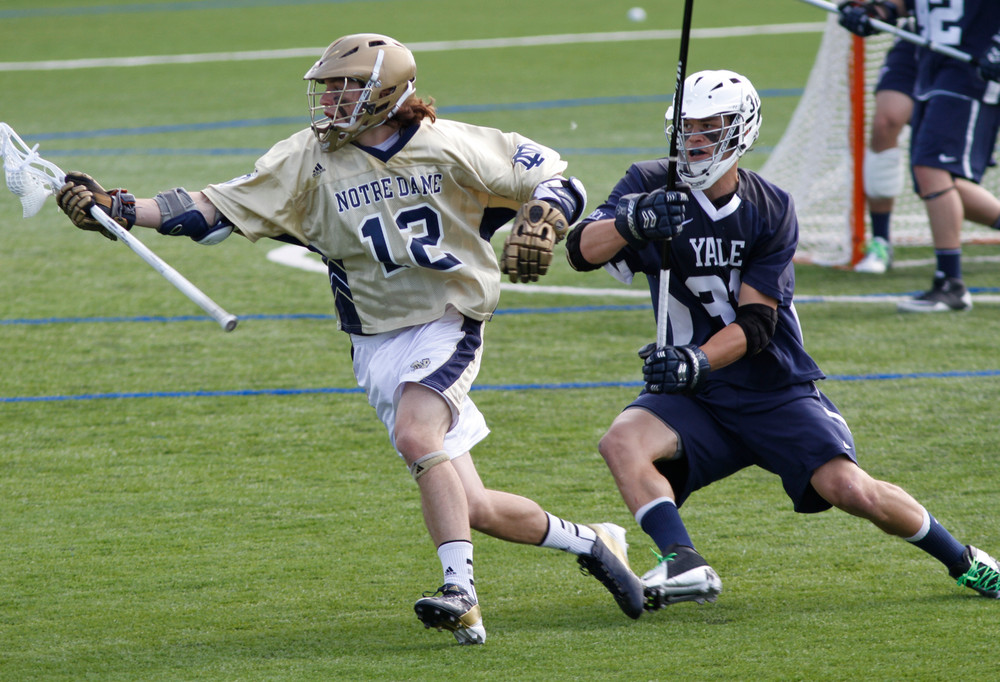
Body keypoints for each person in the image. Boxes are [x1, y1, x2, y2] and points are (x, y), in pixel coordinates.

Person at [52, 32, 644, 645]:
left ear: (386, 92)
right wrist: (118, 207)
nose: (330, 100)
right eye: (327, 87)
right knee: (471, 504)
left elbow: (558, 179)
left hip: (448, 317)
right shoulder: (305, 157)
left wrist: (542, 220)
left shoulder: (451, 144)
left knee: (420, 435)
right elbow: (210, 208)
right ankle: (595, 542)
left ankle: (461, 594)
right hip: (374, 339)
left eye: (345, 87)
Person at [564, 69, 1000, 610]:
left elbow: (756, 326)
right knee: (621, 441)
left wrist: (693, 361)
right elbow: (581, 250)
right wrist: (635, 220)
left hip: (771, 387)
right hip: (698, 396)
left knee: (852, 490)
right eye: (687, 127)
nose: (694, 140)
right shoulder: (650, 181)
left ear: (740, 131)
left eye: (709, 127)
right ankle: (684, 562)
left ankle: (967, 561)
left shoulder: (770, 207)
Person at [839, 0, 1000, 310]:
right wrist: (877, 12)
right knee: (931, 176)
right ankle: (947, 282)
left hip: (971, 68)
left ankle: (951, 285)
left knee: (932, 169)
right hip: (934, 62)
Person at [854, 34, 918, 273]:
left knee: (936, 172)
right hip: (918, 38)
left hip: (968, 44)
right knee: (885, 123)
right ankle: (881, 239)